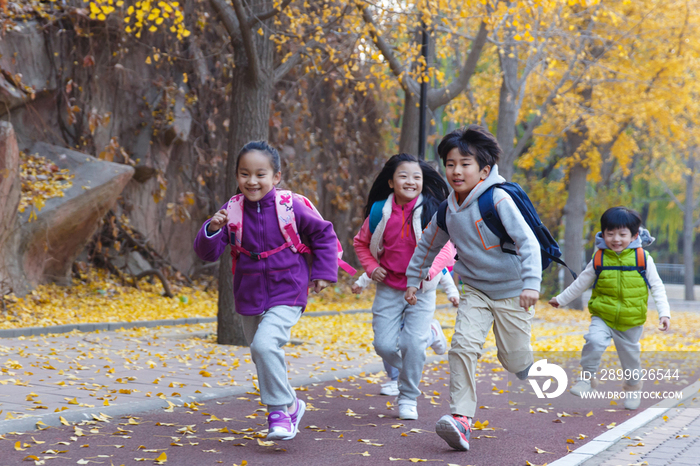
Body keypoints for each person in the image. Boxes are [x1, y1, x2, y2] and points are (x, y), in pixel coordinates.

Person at [405, 125, 542, 451]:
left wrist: (532, 284)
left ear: (484, 169)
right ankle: (462, 420)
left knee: (514, 359)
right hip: (475, 291)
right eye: (450, 163)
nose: (456, 170)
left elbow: (527, 242)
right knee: (462, 347)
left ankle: (522, 361)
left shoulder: (498, 199)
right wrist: (415, 279)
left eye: (465, 163)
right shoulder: (446, 209)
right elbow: (427, 245)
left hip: (513, 291)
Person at [193, 141, 339, 441]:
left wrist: (323, 273)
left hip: (289, 287)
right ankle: (292, 405)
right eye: (245, 174)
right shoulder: (230, 211)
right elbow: (207, 253)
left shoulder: (290, 207)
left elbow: (323, 233)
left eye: (260, 174)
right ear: (237, 176)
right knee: (263, 353)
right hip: (249, 293)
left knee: (264, 346)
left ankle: (278, 412)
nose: (252, 181)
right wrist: (212, 228)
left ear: (276, 177)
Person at [353, 153, 456, 420]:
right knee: (384, 345)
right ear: (391, 182)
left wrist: (428, 272)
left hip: (422, 290)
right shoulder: (379, 211)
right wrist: (371, 268)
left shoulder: (433, 210)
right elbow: (360, 243)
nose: (410, 181)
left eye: (416, 177)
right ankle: (421, 351)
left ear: (423, 182)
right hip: (388, 286)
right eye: (403, 176)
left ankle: (408, 396)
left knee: (413, 344)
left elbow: (448, 248)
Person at [549, 206, 670, 410]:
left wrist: (664, 314)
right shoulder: (599, 258)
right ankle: (587, 379)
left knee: (631, 361)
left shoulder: (643, 258)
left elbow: (657, 287)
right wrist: (561, 299)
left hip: (630, 320)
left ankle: (632, 388)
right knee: (594, 341)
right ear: (603, 234)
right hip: (603, 315)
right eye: (610, 233)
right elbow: (581, 283)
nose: (616, 239)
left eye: (622, 234)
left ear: (633, 236)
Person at [352, 268, 460, 396]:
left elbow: (441, 270)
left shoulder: (425, 251)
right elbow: (383, 265)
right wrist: (362, 281)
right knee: (387, 342)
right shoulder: (395, 250)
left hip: (419, 297)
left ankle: (431, 334)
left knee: (410, 342)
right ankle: (395, 378)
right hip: (391, 295)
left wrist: (452, 292)